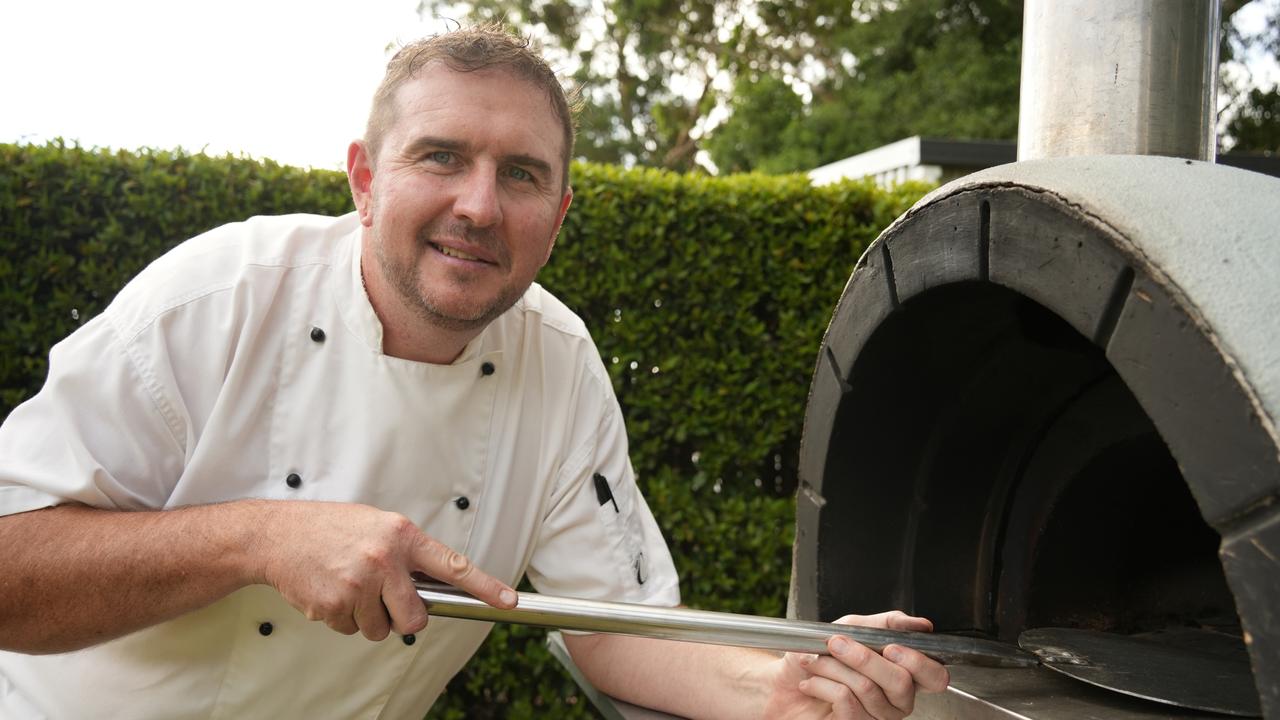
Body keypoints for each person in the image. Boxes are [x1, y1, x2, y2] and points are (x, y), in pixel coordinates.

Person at [0, 25, 948, 719]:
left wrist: (780, 689)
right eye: (441, 157)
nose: (480, 206)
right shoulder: (216, 299)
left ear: (561, 212)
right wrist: (261, 539)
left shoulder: (561, 364)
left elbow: (610, 626)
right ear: (365, 180)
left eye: (522, 174)